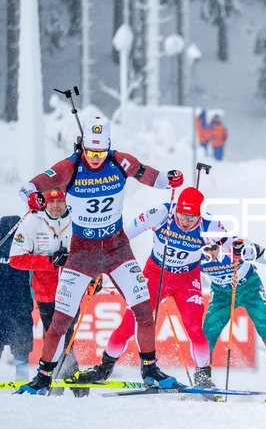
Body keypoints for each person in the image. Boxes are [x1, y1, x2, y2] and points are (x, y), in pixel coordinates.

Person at [14, 115, 185, 394]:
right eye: (90, 152)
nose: (95, 158)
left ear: (108, 147)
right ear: (83, 147)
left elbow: (153, 177)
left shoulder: (120, 161)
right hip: (82, 252)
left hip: (117, 248)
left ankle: (150, 369)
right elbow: (30, 187)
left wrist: (171, 178)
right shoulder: (70, 166)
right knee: (60, 320)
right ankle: (44, 376)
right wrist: (32, 196)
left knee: (143, 309)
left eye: (100, 152)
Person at [69, 187, 229, 389]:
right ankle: (104, 369)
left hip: (187, 280)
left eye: (191, 218)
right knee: (127, 324)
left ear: (199, 215)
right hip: (155, 275)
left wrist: (238, 248)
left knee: (195, 329)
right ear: (176, 209)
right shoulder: (162, 214)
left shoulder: (211, 225)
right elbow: (123, 234)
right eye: (181, 216)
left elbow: (231, 245)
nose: (185, 222)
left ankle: (203, 378)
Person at [200, 238, 266, 397]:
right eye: (205, 249)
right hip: (221, 294)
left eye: (213, 248)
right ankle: (203, 381)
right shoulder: (194, 254)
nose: (210, 253)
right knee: (207, 335)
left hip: (250, 288)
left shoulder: (239, 246)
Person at [8, 189, 88, 397]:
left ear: (65, 202)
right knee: (57, 334)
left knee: (64, 334)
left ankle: (60, 380)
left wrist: (93, 279)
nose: (55, 206)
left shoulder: (77, 219)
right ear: (45, 203)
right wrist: (50, 261)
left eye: (60, 201)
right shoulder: (32, 222)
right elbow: (16, 259)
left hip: (72, 288)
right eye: (51, 202)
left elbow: (89, 254)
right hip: (45, 292)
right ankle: (71, 382)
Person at [0, 215, 34, 382]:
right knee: (21, 350)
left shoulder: (25, 246)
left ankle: (22, 379)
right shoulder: (25, 246)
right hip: (19, 306)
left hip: (11, 305)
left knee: (21, 349)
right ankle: (22, 382)